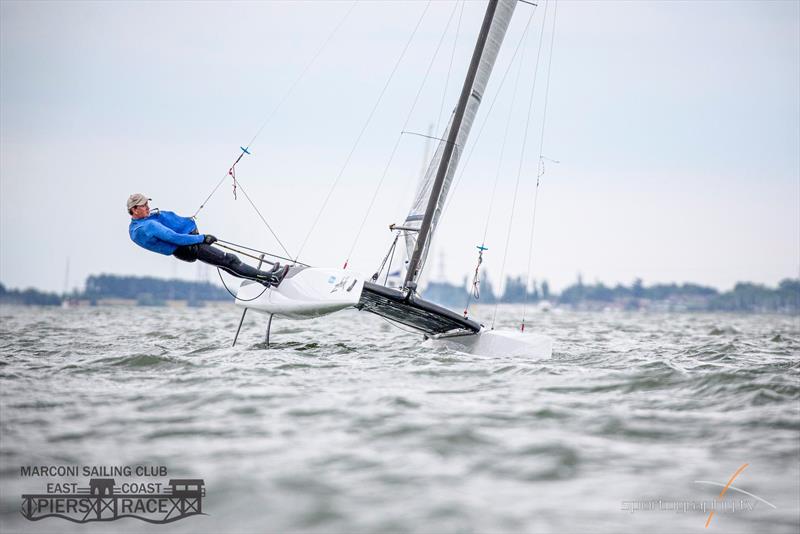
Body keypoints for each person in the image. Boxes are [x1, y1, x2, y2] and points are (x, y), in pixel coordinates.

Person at [127, 193, 287, 287]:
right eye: (143, 206)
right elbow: (173, 238)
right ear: (134, 210)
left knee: (225, 264)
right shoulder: (147, 226)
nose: (147, 207)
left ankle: (264, 278)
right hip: (188, 246)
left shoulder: (135, 228)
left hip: (184, 248)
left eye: (147, 204)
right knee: (229, 261)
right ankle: (271, 278)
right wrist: (203, 238)